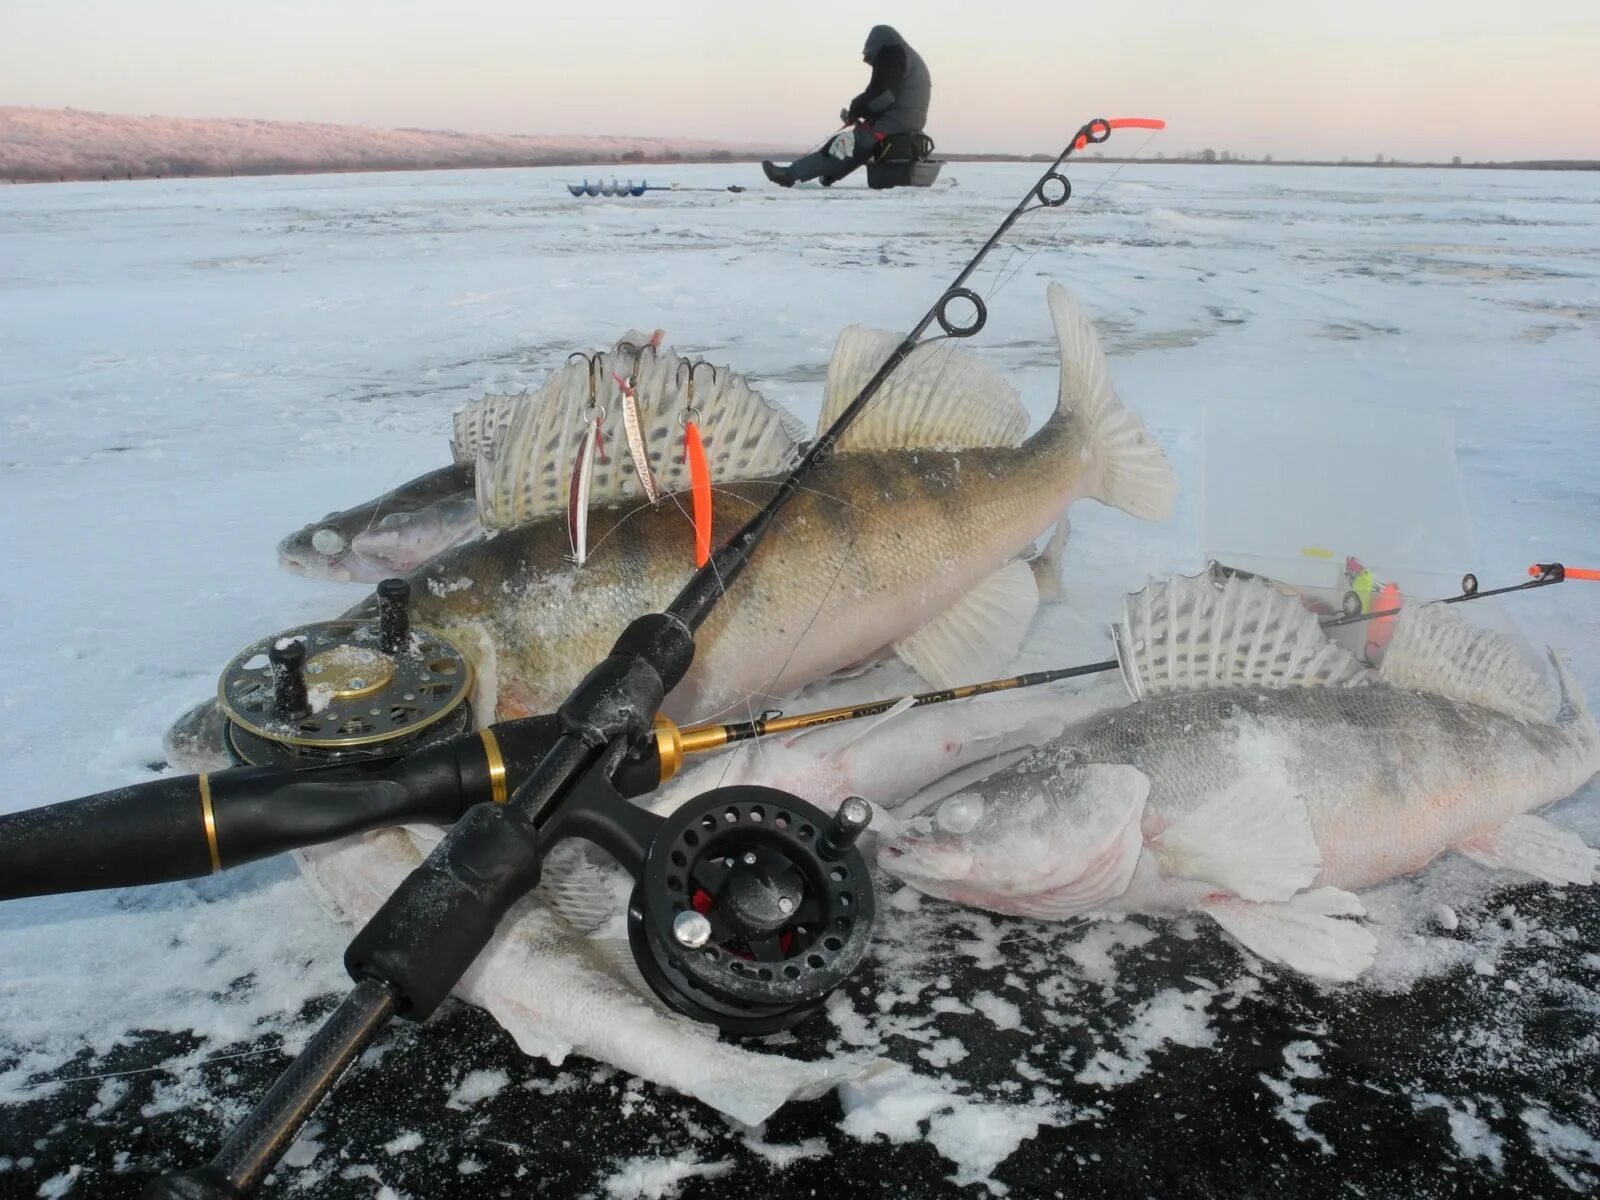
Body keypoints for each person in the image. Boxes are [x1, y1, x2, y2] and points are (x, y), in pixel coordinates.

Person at [762, 25, 932, 187]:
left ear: (876, 47)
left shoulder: (891, 53)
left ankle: (790, 174)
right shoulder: (905, 54)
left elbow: (880, 95)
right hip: (905, 120)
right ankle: (829, 175)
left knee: (847, 142)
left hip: (895, 121)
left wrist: (855, 109)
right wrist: (860, 111)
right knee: (861, 142)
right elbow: (884, 95)